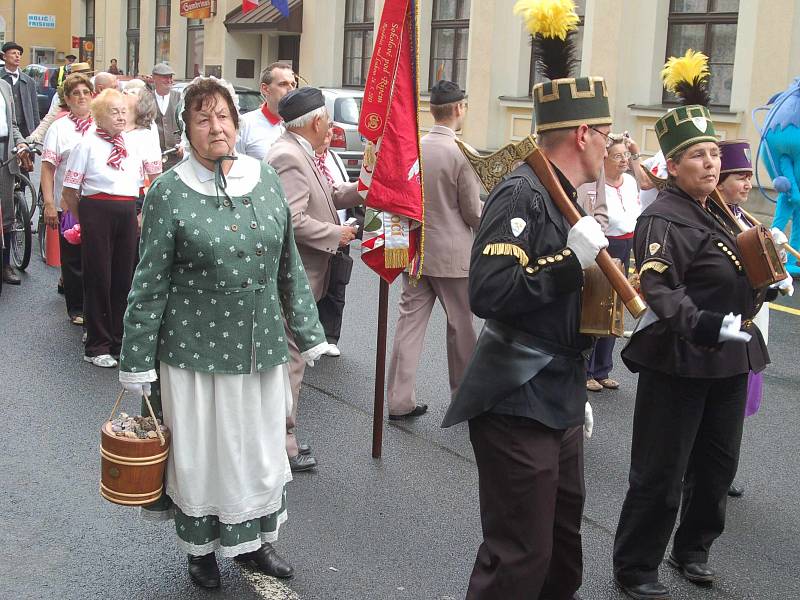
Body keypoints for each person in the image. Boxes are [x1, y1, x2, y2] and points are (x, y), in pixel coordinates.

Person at [118, 77, 326, 589]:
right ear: (186, 128)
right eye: (203, 118)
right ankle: (202, 552)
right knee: (205, 457)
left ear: (237, 122)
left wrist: (307, 328)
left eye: (224, 117)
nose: (217, 128)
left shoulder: (265, 178)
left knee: (257, 451)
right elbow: (149, 283)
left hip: (261, 348)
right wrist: (137, 364)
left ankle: (253, 544)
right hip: (194, 353)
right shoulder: (169, 190)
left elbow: (287, 264)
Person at [442, 69, 611, 600]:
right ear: (582, 134)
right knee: (519, 555)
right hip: (517, 395)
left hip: (557, 388)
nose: (610, 145)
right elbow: (490, 292)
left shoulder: (563, 194)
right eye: (605, 132)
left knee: (562, 549)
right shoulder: (522, 192)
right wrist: (570, 261)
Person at [612, 105, 773, 600]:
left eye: (713, 155)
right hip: (681, 357)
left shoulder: (720, 210)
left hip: (732, 356)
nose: (710, 163)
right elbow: (658, 287)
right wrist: (701, 322)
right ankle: (636, 566)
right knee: (662, 469)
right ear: (674, 166)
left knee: (717, 467)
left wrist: (769, 280)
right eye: (698, 156)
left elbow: (737, 267)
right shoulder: (663, 215)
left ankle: (693, 549)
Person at [266, 86, 361, 472]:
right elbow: (291, 218)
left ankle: (279, 437)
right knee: (292, 360)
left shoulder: (299, 151)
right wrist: (333, 235)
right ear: (318, 121)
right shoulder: (289, 156)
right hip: (297, 275)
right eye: (329, 121)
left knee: (292, 358)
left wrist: (362, 190)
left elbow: (328, 192)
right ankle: (281, 444)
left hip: (305, 274)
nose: (333, 128)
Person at [385, 80, 482, 420]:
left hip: (415, 249)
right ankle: (463, 398)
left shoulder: (415, 147)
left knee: (408, 324)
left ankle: (399, 399)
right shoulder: (461, 152)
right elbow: (471, 211)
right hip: (453, 254)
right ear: (458, 109)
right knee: (461, 327)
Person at [715, 139, 793, 498]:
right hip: (725, 328)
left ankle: (721, 469)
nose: (748, 184)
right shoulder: (715, 218)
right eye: (740, 177)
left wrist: (778, 269)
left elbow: (763, 278)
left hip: (752, 328)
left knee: (738, 407)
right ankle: (703, 471)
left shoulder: (745, 217)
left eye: (749, 176)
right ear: (720, 180)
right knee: (716, 411)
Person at [61, 89, 155, 368]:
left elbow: (151, 180)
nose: (121, 116)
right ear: (100, 115)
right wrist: (85, 221)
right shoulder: (86, 144)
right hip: (96, 211)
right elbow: (69, 192)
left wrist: (141, 215)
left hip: (127, 211)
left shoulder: (134, 144)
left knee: (123, 277)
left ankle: (118, 339)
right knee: (98, 277)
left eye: (124, 111)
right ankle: (97, 345)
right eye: (114, 111)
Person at [585, 133, 642, 392]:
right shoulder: (597, 183)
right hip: (606, 244)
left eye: (626, 156)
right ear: (605, 157)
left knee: (615, 308)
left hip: (627, 243)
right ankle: (587, 370)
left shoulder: (630, 182)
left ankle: (602, 369)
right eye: (617, 156)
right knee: (596, 306)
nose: (623, 161)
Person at [41, 73, 95, 325]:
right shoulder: (59, 128)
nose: (82, 97)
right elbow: (48, 168)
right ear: (67, 100)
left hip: (99, 202)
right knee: (73, 258)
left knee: (97, 256)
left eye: (86, 92)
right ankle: (77, 308)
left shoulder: (103, 124)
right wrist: (49, 203)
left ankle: (97, 305)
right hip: (69, 202)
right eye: (76, 94)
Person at [313, 125, 362, 357]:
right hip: (319, 234)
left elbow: (341, 189)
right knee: (313, 285)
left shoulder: (333, 157)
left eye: (330, 133)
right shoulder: (304, 160)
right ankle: (309, 335)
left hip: (343, 231)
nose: (328, 137)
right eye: (324, 133)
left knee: (337, 283)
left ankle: (330, 336)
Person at [237, 62, 296, 160]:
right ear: (265, 89)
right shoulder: (244, 125)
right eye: (283, 84)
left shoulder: (300, 124)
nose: (291, 89)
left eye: (293, 84)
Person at [0, 77, 24, 285]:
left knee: (7, 213)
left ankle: (5, 266)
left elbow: (12, 124)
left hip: (5, 151)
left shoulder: (5, 86)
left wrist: (22, 142)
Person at [0, 42, 40, 140]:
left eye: (19, 54)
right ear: (4, 57)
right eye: (13, 53)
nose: (17, 56)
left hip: (25, 130)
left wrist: (36, 132)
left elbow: (35, 109)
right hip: (4, 129)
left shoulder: (29, 81)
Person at [151, 62, 183, 171]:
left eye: (170, 77)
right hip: (153, 156)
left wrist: (183, 144)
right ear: (154, 78)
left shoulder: (179, 98)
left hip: (176, 157)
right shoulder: (147, 99)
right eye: (165, 77)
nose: (169, 80)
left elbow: (188, 125)